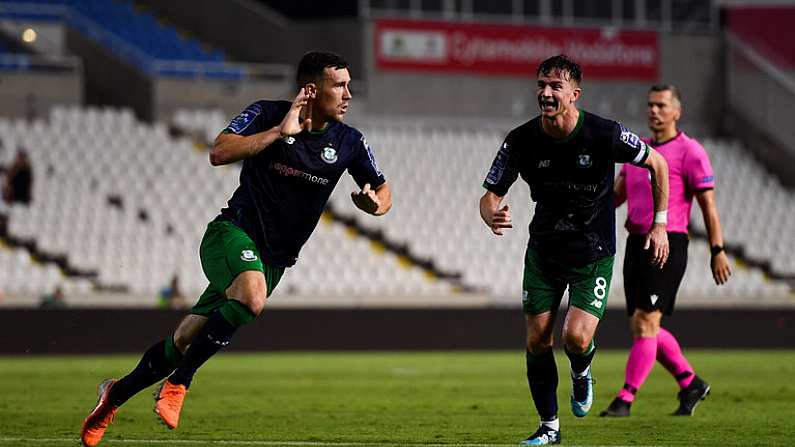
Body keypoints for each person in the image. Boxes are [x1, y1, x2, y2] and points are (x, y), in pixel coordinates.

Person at [80, 51, 392, 447]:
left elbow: (383, 191)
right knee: (252, 297)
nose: (348, 93)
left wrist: (375, 205)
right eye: (339, 85)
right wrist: (280, 132)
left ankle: (114, 396)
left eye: (349, 85)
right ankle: (180, 383)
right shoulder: (265, 113)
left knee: (183, 341)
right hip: (230, 235)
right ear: (312, 90)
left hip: (274, 261)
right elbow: (219, 152)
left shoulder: (350, 141)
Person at [479, 55, 670, 446]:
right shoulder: (521, 139)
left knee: (577, 339)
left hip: (593, 253)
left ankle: (582, 373)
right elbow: (490, 195)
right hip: (544, 252)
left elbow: (658, 164)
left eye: (555, 86)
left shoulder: (604, 134)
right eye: (541, 85)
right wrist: (491, 215)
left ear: (574, 94)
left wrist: (661, 223)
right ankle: (550, 427)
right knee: (537, 340)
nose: (545, 93)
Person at [600, 84, 731, 418]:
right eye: (650, 105)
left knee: (646, 322)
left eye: (661, 105)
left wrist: (717, 250)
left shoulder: (691, 152)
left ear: (677, 112)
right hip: (636, 244)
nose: (654, 111)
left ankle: (625, 399)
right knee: (643, 326)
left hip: (668, 243)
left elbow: (709, 207)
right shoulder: (638, 151)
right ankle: (691, 384)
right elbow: (616, 196)